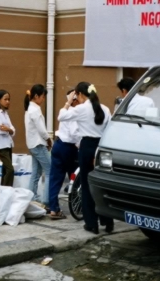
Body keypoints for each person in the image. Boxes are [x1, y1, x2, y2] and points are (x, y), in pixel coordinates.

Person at [59, 81, 113, 234]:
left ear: (80, 94)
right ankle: (107, 222)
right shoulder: (105, 109)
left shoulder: (82, 109)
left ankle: (91, 223)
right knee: (102, 185)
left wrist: (69, 101)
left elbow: (61, 116)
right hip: (102, 147)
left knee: (87, 185)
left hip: (87, 146)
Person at [47, 90, 81, 219]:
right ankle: (78, 205)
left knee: (55, 179)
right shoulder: (74, 113)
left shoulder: (65, 111)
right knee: (76, 177)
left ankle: (54, 208)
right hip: (69, 148)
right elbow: (74, 134)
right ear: (75, 100)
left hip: (58, 145)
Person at [24, 84, 51, 205]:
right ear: (36, 96)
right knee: (51, 170)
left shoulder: (30, 109)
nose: (43, 99)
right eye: (43, 96)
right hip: (39, 144)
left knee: (36, 172)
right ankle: (47, 199)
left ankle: (32, 197)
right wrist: (49, 139)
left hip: (33, 144)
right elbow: (41, 129)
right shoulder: (34, 110)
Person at [0, 89, 16, 186]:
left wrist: (9, 129)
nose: (8, 102)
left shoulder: (5, 113)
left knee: (5, 170)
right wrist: (10, 130)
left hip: (7, 144)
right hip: (1, 145)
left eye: (9, 99)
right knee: (10, 170)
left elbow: (12, 129)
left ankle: (2, 191)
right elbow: (2, 130)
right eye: (5, 99)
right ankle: (6, 190)